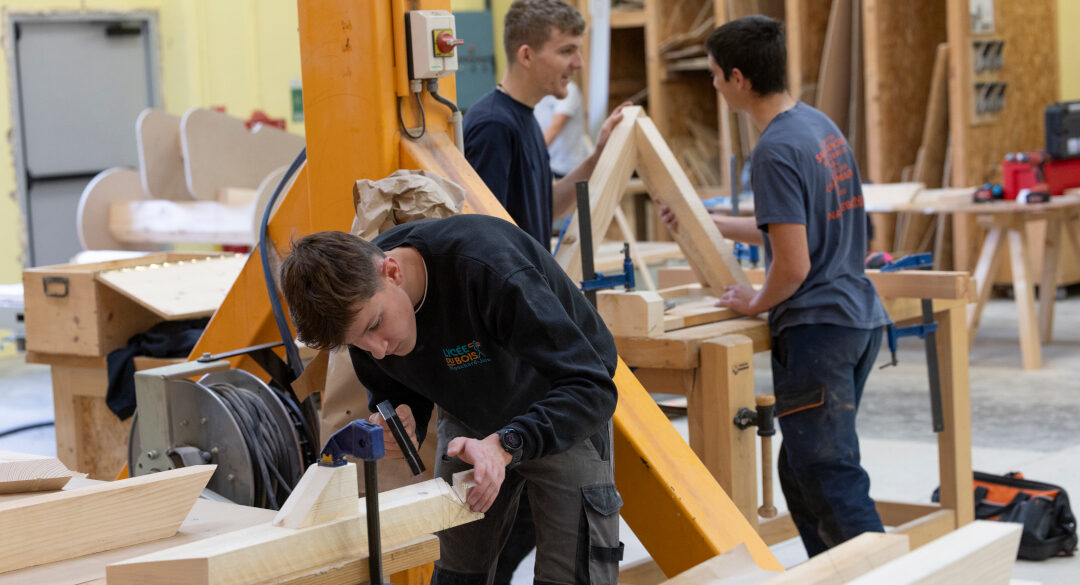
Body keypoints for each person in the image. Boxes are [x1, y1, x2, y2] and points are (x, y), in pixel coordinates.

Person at [280, 214, 622, 585]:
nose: (376, 351)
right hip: (468, 419)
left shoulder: (487, 267)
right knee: (457, 569)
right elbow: (391, 388)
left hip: (561, 406)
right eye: (357, 343)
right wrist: (404, 419)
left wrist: (506, 445)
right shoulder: (359, 309)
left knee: (574, 573)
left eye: (375, 326)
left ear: (392, 271)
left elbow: (593, 386)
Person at [660, 15, 891, 557]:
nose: (713, 86)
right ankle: (832, 569)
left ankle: (880, 572)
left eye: (715, 75)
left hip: (818, 331)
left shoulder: (774, 150)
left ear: (739, 78)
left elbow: (792, 266)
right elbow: (792, 224)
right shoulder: (817, 126)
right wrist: (710, 222)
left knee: (829, 471)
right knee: (800, 468)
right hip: (855, 318)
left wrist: (754, 300)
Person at [464, 0, 630, 250]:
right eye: (566, 51)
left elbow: (544, 210)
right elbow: (485, 236)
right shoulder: (494, 126)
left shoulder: (526, 118)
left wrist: (597, 157)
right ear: (527, 55)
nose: (578, 63)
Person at [534, 79, 591, 178]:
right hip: (551, 164)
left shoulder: (569, 89)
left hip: (573, 166)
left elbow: (555, 128)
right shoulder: (537, 93)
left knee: (580, 193)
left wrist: (529, 157)